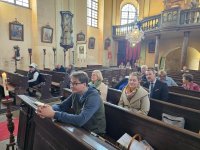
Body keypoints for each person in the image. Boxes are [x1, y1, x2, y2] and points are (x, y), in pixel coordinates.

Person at [36, 71, 106, 134]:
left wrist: (54, 114)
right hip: (83, 126)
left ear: (84, 84)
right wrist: (48, 108)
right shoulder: (76, 93)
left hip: (94, 132)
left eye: (75, 83)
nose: (71, 86)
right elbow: (61, 106)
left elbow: (80, 120)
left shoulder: (93, 97)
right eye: (71, 83)